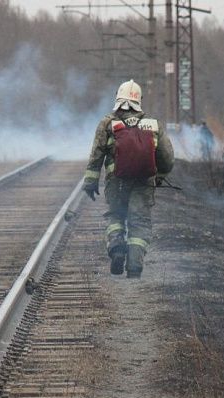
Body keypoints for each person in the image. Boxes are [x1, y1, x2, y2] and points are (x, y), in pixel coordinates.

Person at [82, 80, 174, 278]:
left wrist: (90, 181)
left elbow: (96, 155)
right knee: (139, 222)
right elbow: (167, 157)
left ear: (118, 98)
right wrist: (160, 176)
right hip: (143, 181)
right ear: (139, 100)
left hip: (116, 181)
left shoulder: (108, 123)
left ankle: (116, 249)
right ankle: (134, 268)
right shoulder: (153, 124)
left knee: (115, 215)